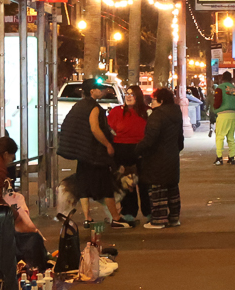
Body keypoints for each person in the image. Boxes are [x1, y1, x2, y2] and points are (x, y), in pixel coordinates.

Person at [57, 76, 129, 228]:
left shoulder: (78, 106)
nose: (103, 91)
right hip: (95, 155)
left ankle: (87, 218)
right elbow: (95, 129)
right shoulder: (94, 108)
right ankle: (115, 218)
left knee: (84, 185)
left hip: (82, 154)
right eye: (100, 89)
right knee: (106, 186)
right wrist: (108, 144)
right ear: (92, 91)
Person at [136, 87, 184, 228]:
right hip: (171, 156)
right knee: (172, 188)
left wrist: (138, 149)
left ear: (161, 101)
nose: (151, 102)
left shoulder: (157, 115)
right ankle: (174, 218)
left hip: (157, 158)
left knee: (157, 189)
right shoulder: (176, 113)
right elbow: (180, 138)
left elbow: (151, 138)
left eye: (154, 100)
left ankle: (158, 220)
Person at [108, 85, 151, 220]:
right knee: (126, 182)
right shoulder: (116, 111)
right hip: (122, 150)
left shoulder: (147, 112)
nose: (129, 96)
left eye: (132, 94)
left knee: (145, 182)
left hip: (142, 150)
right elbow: (109, 129)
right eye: (127, 94)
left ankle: (149, 211)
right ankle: (128, 212)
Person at [213, 72, 235, 166]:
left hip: (223, 114)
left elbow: (217, 102)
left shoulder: (220, 88)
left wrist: (214, 109)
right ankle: (231, 157)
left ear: (222, 78)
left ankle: (219, 158)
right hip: (232, 114)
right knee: (231, 137)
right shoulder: (234, 89)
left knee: (220, 136)